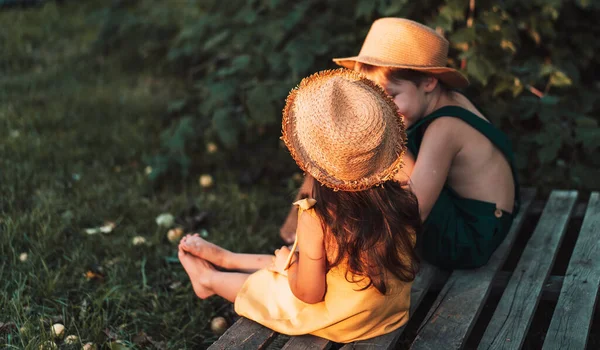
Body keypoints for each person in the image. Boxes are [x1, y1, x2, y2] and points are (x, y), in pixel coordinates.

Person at [177, 69, 422, 343]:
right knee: (294, 258)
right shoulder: (399, 196)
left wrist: (291, 267)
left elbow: (308, 293)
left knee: (273, 286)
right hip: (388, 312)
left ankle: (208, 281)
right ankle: (227, 259)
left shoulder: (319, 216)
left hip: (347, 320)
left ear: (311, 159)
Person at [281, 17, 520, 269]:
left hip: (469, 240)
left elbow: (417, 212)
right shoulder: (445, 101)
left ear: (429, 82)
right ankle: (305, 227)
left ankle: (330, 244)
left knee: (364, 147)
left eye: (390, 96)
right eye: (373, 97)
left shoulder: (446, 127)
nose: (381, 109)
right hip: (479, 221)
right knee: (349, 143)